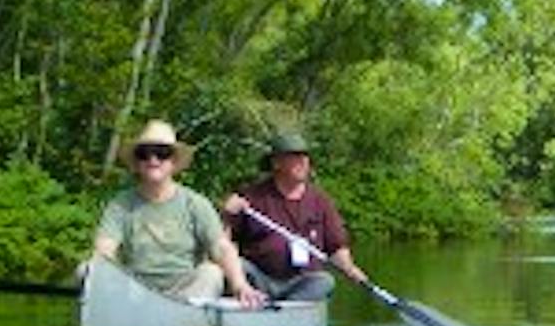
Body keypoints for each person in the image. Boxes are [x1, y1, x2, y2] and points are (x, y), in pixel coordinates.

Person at [92, 119, 265, 307]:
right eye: (144, 154)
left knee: (211, 273)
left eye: (162, 154)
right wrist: (102, 269)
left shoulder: (195, 204)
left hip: (185, 292)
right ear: (137, 162)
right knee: (86, 271)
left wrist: (240, 285)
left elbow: (221, 247)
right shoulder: (121, 205)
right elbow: (105, 249)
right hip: (135, 290)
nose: (153, 160)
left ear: (173, 162)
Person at [221, 132, 368, 302]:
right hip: (260, 279)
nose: (303, 163)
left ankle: (287, 309)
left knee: (324, 281)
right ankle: (259, 302)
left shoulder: (320, 201)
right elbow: (222, 242)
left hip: (301, 281)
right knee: (235, 266)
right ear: (276, 163)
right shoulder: (252, 197)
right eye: (295, 157)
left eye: (305, 157)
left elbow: (336, 247)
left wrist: (349, 268)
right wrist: (227, 214)